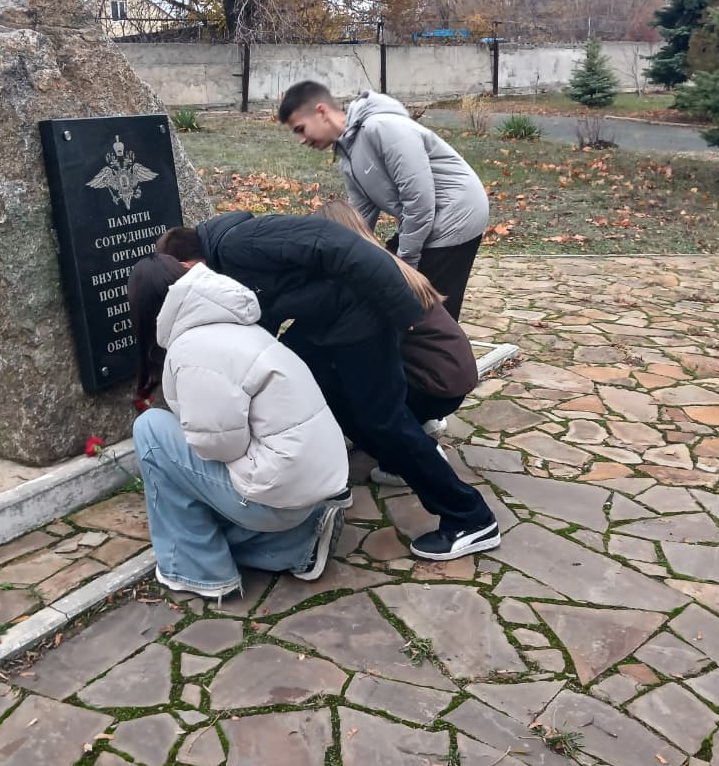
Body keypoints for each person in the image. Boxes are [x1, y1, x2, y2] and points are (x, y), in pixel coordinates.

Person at [156, 213, 500, 561]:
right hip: (324, 323)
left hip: (361, 319)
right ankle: (332, 483)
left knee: (382, 421)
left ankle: (469, 516)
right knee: (306, 388)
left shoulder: (240, 242)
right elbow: (264, 307)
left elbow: (340, 244)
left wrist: (404, 312)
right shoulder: (225, 256)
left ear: (189, 266)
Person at [128, 253, 349, 601]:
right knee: (182, 453)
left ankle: (199, 571)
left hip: (279, 495)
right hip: (314, 480)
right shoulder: (231, 322)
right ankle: (299, 542)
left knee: (151, 430)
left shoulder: (191, 349)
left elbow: (218, 447)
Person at [278, 81, 491, 321]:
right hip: (428, 215)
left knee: (429, 307)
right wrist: (336, 263)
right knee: (391, 283)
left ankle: (441, 355)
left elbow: (419, 200)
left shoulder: (384, 128)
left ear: (321, 112)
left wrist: (407, 265)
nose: (301, 140)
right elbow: (360, 220)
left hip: (457, 212)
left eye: (300, 129)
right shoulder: (348, 156)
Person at [316, 200, 479, 486]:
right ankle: (421, 424)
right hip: (455, 378)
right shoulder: (390, 263)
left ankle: (407, 457)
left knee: (341, 382)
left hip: (433, 388)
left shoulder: (363, 281)